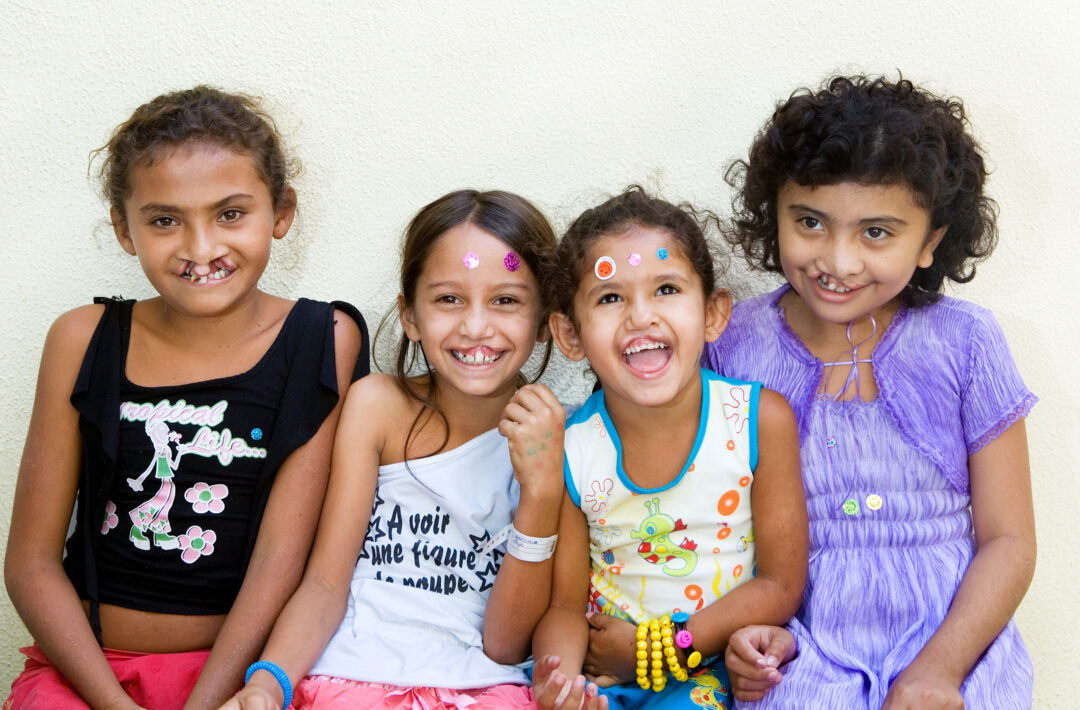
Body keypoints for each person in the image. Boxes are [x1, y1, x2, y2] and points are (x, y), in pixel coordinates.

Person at [3, 86, 368, 710]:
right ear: (125, 229)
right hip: (91, 676)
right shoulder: (81, 340)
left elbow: (285, 554)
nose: (201, 248)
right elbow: (31, 562)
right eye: (165, 220)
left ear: (281, 212)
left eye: (230, 213)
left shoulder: (323, 339)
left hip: (248, 680)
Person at [708, 75, 1037, 709]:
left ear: (931, 242)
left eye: (877, 233)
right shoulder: (730, 344)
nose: (838, 260)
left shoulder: (966, 342)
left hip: (954, 639)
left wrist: (937, 671)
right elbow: (717, 525)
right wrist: (744, 636)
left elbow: (1010, 540)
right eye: (810, 222)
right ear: (772, 212)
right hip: (797, 645)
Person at [220, 189, 565, 710]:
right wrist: (268, 682)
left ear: (543, 322)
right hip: (347, 677)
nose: (475, 326)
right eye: (449, 298)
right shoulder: (376, 406)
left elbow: (506, 644)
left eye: (506, 300)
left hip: (484, 689)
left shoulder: (553, 435)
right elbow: (323, 584)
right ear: (410, 315)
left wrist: (541, 492)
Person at [533, 187, 808, 710]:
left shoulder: (756, 422)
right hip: (607, 679)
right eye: (610, 297)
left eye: (666, 289)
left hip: (713, 672)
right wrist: (561, 683)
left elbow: (780, 582)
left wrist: (660, 651)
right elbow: (565, 606)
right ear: (569, 334)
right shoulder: (572, 447)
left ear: (712, 313)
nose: (641, 316)